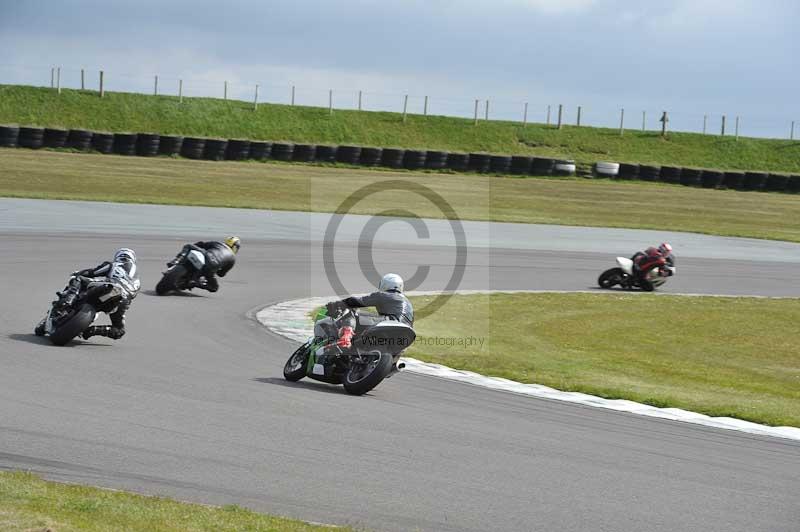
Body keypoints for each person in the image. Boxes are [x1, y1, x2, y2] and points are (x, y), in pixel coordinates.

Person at [36, 248, 141, 340]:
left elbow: (93, 273)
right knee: (119, 330)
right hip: (122, 300)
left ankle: (68, 300)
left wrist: (78, 273)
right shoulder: (138, 281)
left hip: (110, 287)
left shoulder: (115, 264)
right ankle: (92, 330)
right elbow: (131, 297)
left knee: (78, 279)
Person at [173, 236, 240, 292]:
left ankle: (177, 260)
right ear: (235, 247)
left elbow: (201, 244)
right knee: (214, 288)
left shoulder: (218, 243)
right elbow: (221, 274)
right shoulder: (232, 259)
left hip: (205, 255)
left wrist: (197, 247)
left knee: (188, 246)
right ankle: (194, 283)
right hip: (211, 268)